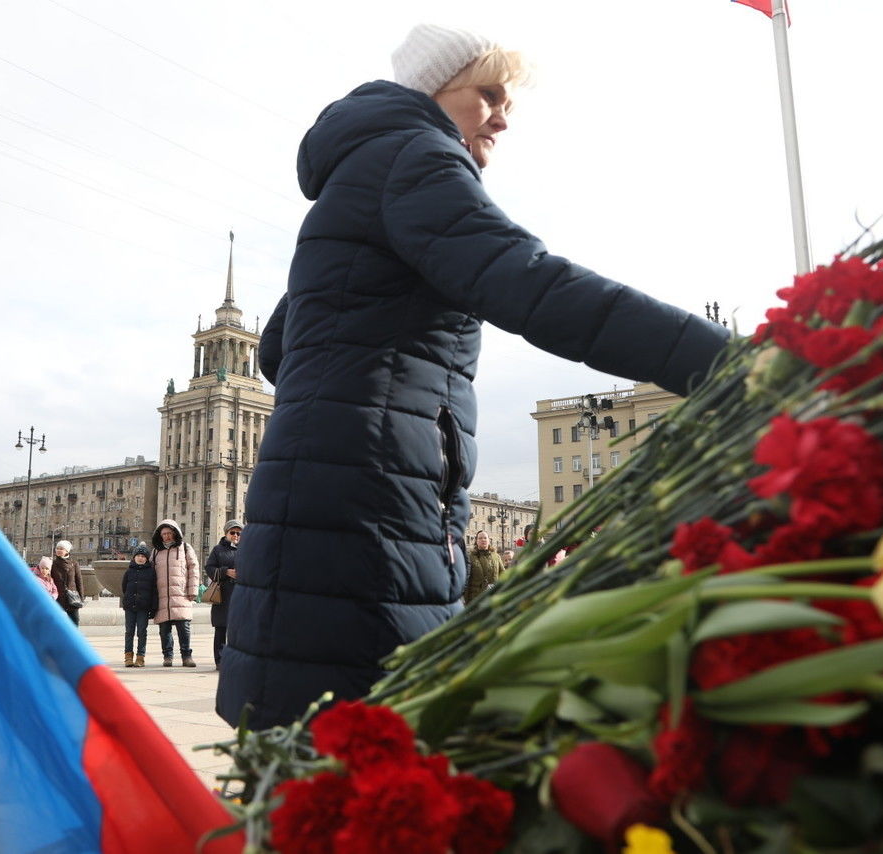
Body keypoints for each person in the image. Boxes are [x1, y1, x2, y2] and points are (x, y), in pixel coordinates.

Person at [218, 23, 729, 729]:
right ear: (435, 91)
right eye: (486, 94)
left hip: (316, 499)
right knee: (373, 748)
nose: (503, 115)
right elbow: (533, 285)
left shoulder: (357, 174)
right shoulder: (417, 155)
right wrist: (726, 361)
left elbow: (281, 348)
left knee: (305, 742)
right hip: (374, 500)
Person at [150, 520, 198, 668]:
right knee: (164, 630)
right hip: (162, 597)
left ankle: (186, 656)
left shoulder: (185, 548)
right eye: (164, 534)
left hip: (181, 594)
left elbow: (193, 569)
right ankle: (167, 657)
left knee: (184, 627)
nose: (167, 536)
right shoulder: (155, 551)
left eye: (169, 533)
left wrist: (193, 590)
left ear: (175, 533)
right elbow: (150, 574)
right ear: (160, 535)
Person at [204, 520, 241, 671]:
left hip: (241, 595)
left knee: (238, 630)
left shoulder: (246, 549)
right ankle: (220, 660)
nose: (236, 536)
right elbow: (209, 568)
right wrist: (226, 571)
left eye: (239, 533)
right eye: (232, 532)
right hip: (223, 595)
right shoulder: (218, 550)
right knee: (221, 629)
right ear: (226, 533)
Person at [120, 543, 158, 668]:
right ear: (134, 557)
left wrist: (153, 608)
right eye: (138, 555)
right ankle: (128, 657)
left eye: (143, 556)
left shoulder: (151, 572)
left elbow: (154, 591)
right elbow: (124, 587)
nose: (140, 558)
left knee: (142, 631)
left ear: (147, 558)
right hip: (130, 606)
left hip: (143, 607)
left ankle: (140, 657)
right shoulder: (129, 571)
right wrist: (127, 601)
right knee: (129, 631)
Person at [465, 530, 504, 604]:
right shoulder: (470, 557)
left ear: (489, 540)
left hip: (493, 596)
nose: (483, 540)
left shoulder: (496, 556)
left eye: (485, 538)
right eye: (480, 538)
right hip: (476, 598)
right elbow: (466, 579)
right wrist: (466, 600)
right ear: (476, 541)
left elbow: (503, 574)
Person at [49, 540, 83, 625]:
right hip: (58, 598)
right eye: (57, 548)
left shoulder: (74, 564)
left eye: (61, 549)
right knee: (58, 624)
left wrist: (81, 597)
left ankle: (73, 638)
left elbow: (79, 581)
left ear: (67, 551)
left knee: (75, 622)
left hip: (72, 598)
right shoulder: (52, 564)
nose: (59, 550)